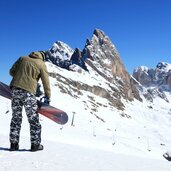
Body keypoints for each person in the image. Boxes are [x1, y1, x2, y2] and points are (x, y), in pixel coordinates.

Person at [9, 51, 51, 152]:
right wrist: (47, 96)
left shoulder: (22, 58)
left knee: (16, 118)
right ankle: (35, 145)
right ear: (42, 57)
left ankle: (14, 145)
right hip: (28, 93)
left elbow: (11, 71)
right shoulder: (41, 64)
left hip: (15, 90)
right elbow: (46, 82)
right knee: (33, 120)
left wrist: (20, 77)